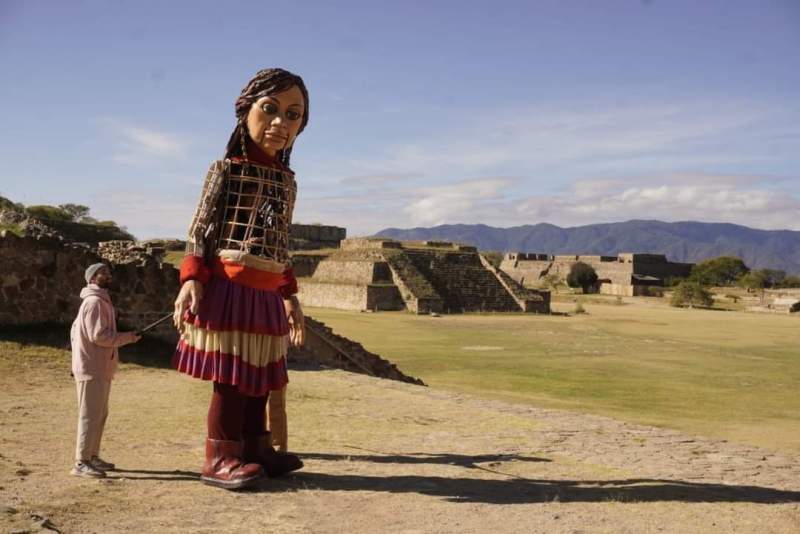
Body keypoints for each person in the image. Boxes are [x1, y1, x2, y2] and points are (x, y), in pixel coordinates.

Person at [173, 68, 307, 490]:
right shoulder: (225, 169)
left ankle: (255, 447)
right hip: (231, 286)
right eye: (269, 109)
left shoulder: (287, 181)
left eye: (293, 114)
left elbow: (278, 242)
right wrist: (192, 277)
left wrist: (290, 296)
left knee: (261, 377)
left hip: (267, 290)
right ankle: (220, 456)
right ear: (245, 111)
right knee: (231, 378)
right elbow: (200, 229)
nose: (280, 123)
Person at [70, 263, 141, 478]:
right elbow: (99, 336)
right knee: (89, 416)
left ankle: (92, 457)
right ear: (92, 279)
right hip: (92, 368)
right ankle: (81, 462)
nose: (108, 275)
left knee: (99, 415)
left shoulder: (102, 301)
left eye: (108, 272)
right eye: (103, 272)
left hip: (100, 368)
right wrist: (127, 337)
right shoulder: (94, 303)